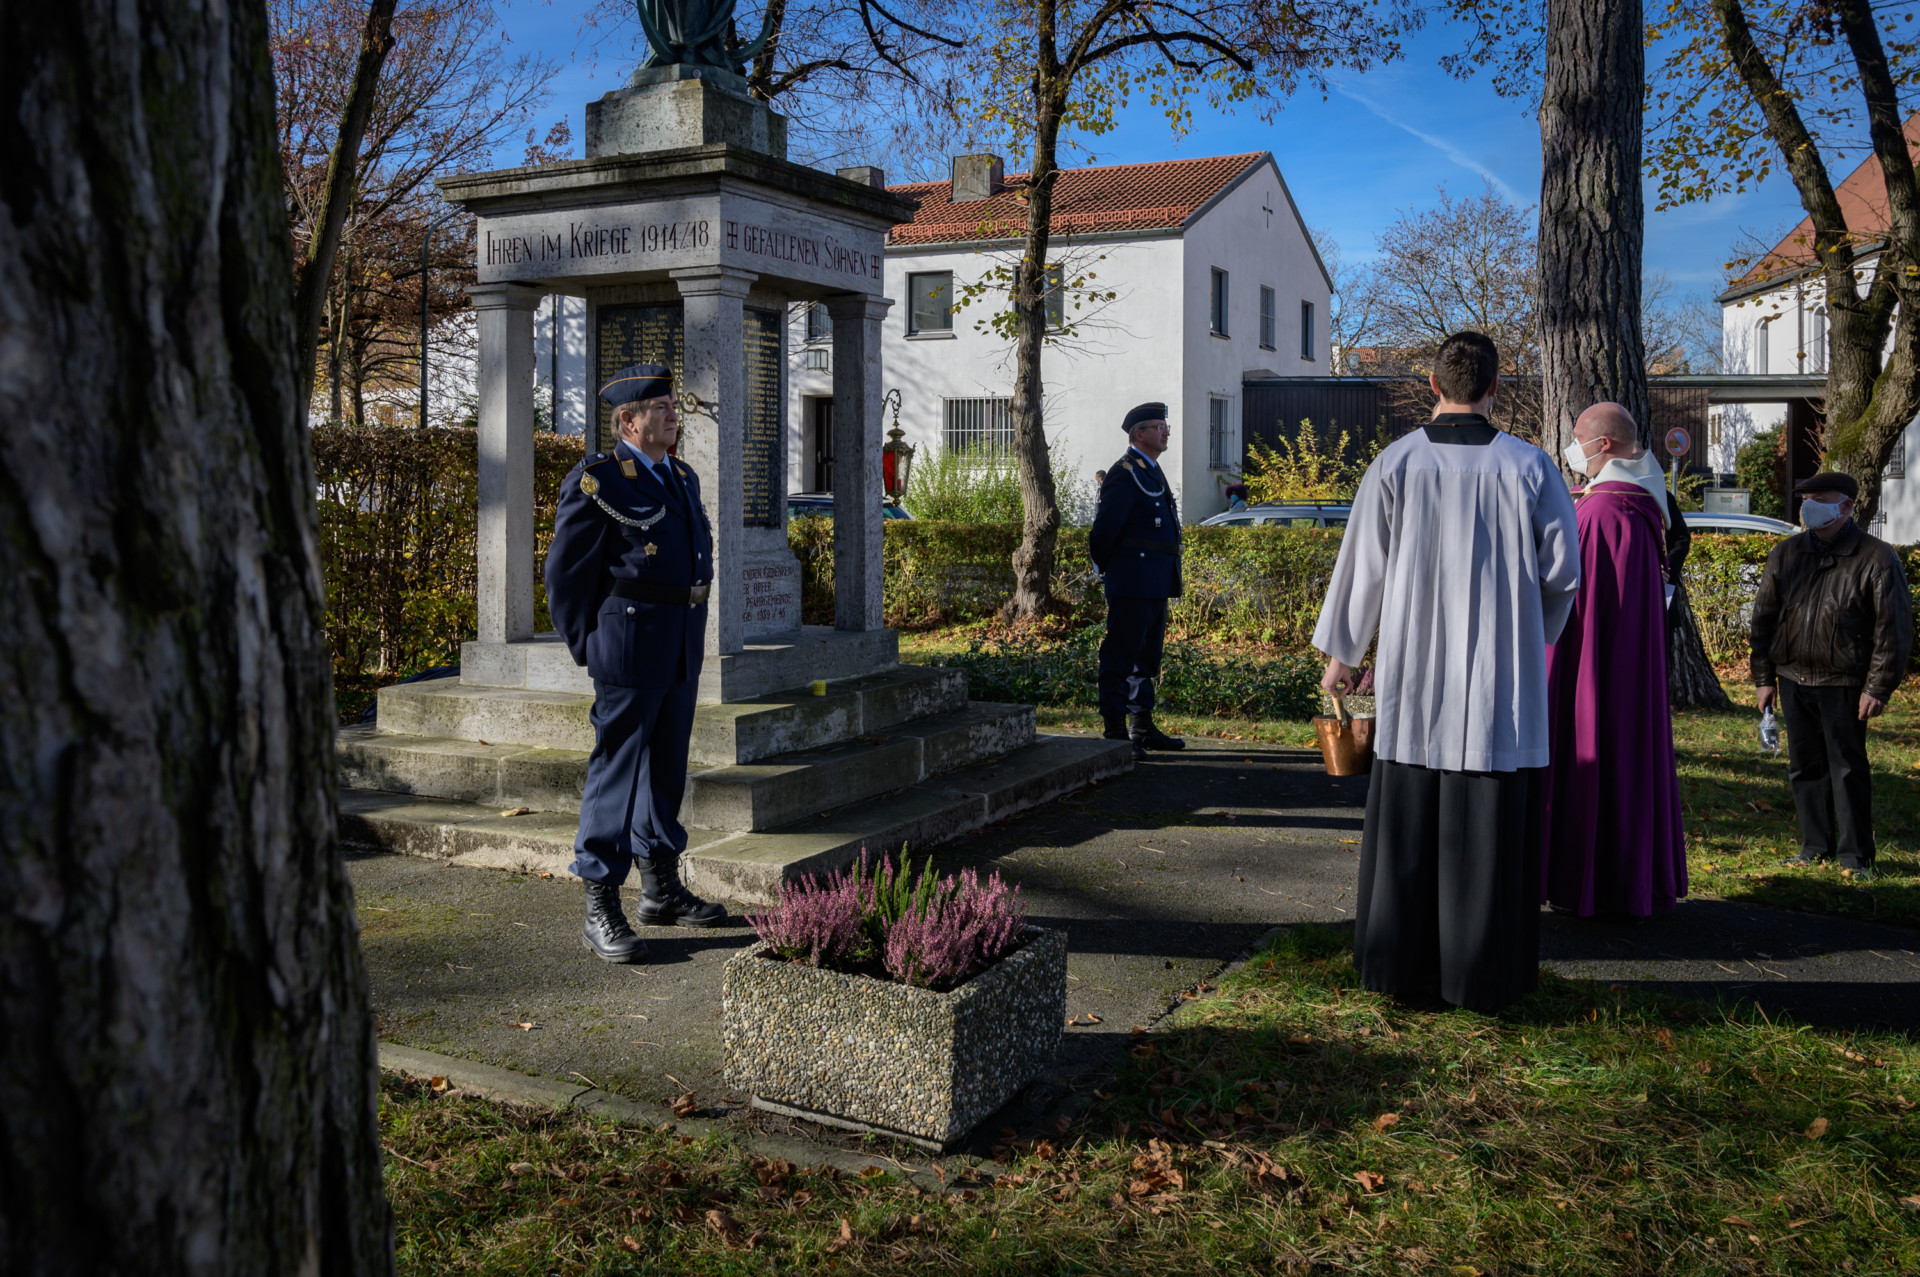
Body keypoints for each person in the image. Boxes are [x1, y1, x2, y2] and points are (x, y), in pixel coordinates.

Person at [1313, 332, 1580, 1012]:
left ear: (1434, 385)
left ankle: (1400, 969)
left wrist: (1344, 655)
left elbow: (1362, 568)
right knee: (1490, 824)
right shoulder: (1530, 466)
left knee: (1410, 816)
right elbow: (1562, 575)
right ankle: (1484, 975)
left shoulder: (1396, 463)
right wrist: (1528, 635)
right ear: (1496, 387)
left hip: (1415, 677)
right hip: (1500, 683)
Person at [545, 364, 728, 963]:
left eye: (672, 404)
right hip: (626, 644)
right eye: (661, 406)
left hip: (678, 639)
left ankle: (660, 888)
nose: (674, 413)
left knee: (667, 767)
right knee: (618, 771)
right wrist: (589, 645)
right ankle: (601, 902)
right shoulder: (600, 480)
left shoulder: (681, 475)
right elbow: (567, 577)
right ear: (629, 421)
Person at [1541, 402, 1686, 918]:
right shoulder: (1638, 503)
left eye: (1577, 436)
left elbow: (1573, 604)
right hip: (1627, 666)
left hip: (1594, 666)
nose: (1571, 445)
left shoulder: (1602, 510)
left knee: (1595, 752)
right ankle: (1624, 879)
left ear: (1603, 445)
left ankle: (1593, 882)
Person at [1752, 471, 1912, 879]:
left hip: (1844, 680)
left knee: (1846, 768)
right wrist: (1764, 678)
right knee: (1804, 765)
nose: (1809, 506)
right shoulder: (1786, 554)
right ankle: (1814, 846)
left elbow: (1892, 629)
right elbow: (1764, 620)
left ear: (1846, 506)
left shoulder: (1876, 557)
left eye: (1819, 498)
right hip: (1792, 676)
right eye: (1806, 498)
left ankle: (1855, 856)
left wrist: (1878, 686)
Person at [1089, 403, 1185, 758]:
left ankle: (1141, 725)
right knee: (1122, 654)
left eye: (1166, 426)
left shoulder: (1150, 470)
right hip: (1132, 580)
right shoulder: (1125, 472)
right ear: (1138, 434)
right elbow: (1104, 532)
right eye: (1159, 427)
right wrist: (1113, 571)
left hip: (1154, 581)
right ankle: (1115, 729)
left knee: (1146, 656)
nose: (1166, 432)